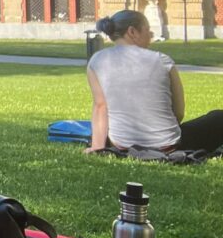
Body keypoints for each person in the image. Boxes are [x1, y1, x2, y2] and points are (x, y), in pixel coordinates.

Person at [85, 9, 223, 154]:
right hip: (168, 146)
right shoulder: (162, 60)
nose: (150, 35)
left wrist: (97, 148)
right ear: (132, 31)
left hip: (121, 146)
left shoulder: (97, 60)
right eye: (147, 30)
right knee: (218, 117)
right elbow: (179, 112)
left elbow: (100, 107)